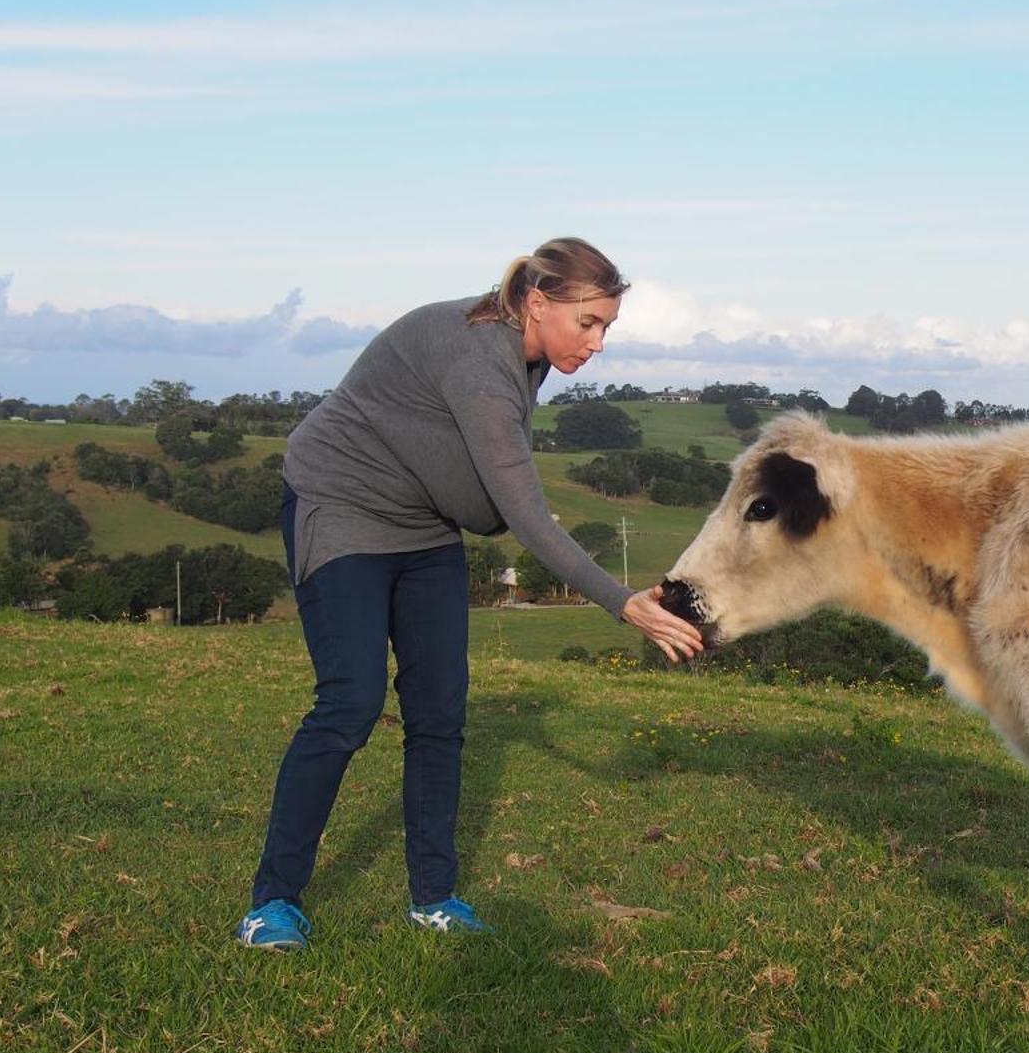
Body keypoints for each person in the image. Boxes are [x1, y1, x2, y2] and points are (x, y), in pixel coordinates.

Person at [235, 237, 703, 950]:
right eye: (589, 323)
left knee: (439, 712)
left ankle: (432, 897)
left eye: (607, 325)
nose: (599, 342)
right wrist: (621, 600)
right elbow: (518, 511)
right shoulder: (479, 361)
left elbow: (478, 490)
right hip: (342, 509)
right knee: (350, 703)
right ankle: (272, 902)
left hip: (422, 529)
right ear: (538, 303)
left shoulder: (529, 354)